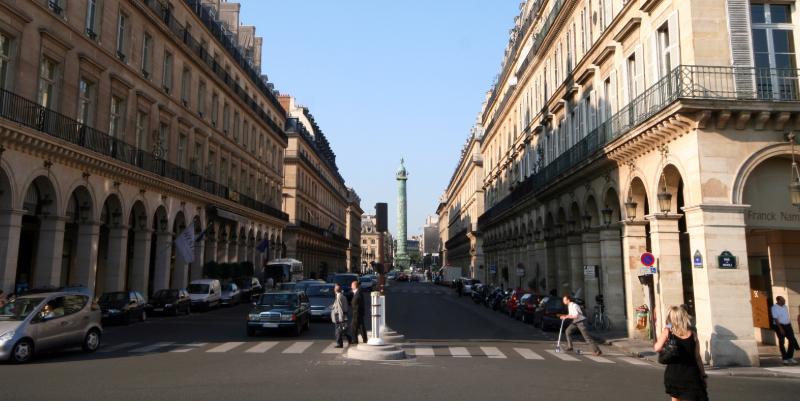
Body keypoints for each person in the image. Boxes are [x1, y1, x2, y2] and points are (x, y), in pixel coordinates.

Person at [654, 305, 708, 401]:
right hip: (691, 375)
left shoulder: (668, 332)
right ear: (684, 317)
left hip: (673, 375)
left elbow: (657, 347)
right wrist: (703, 375)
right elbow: (697, 357)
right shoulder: (693, 335)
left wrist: (666, 332)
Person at [771, 296, 799, 365]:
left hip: (788, 325)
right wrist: (781, 329)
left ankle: (790, 357)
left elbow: (786, 317)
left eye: (784, 300)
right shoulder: (774, 308)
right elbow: (776, 319)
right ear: (778, 301)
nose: (784, 302)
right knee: (782, 342)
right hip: (779, 326)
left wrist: (789, 324)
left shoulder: (785, 306)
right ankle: (785, 358)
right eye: (783, 300)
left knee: (792, 340)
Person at [330, 284, 352, 348]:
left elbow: (340, 308)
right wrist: (333, 306)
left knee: (338, 330)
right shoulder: (342, 296)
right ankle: (349, 338)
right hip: (342, 315)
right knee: (343, 328)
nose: (334, 289)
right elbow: (340, 306)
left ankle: (339, 343)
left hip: (339, 316)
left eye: (334, 288)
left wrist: (341, 318)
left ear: (335, 290)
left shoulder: (339, 297)